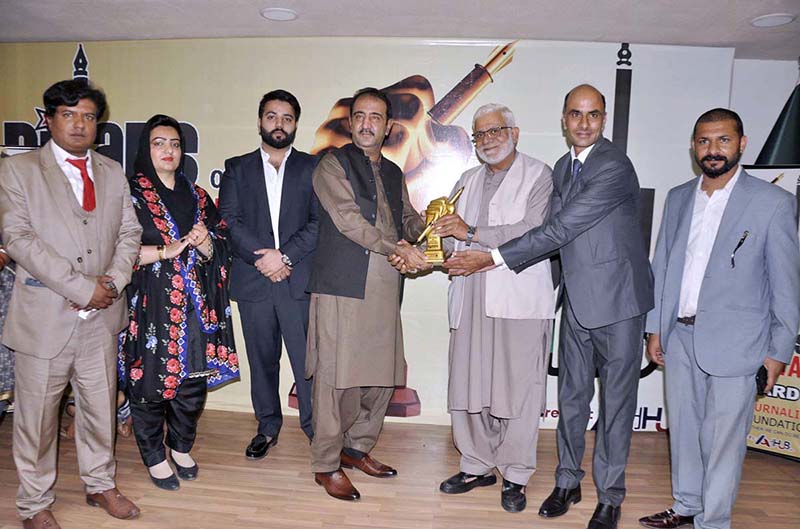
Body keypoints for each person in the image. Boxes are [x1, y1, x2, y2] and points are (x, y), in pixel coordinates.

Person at [445, 84, 654, 529]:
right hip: (575, 299)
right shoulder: (564, 165)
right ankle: (567, 481)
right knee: (572, 399)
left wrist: (494, 255)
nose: (583, 123)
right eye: (575, 115)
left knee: (615, 406)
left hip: (618, 301)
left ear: (602, 119)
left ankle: (611, 497)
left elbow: (558, 229)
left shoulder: (613, 166)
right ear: (564, 120)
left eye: (592, 115)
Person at [639, 109, 800, 529]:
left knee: (724, 441)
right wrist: (656, 326)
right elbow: (665, 265)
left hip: (741, 343)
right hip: (681, 337)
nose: (713, 150)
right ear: (693, 146)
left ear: (741, 144)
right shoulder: (678, 197)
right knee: (686, 430)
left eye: (723, 140)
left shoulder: (774, 203)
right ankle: (686, 504)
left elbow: (786, 284)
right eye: (704, 141)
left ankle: (713, 521)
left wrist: (778, 352)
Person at [0, 79, 142, 528]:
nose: (79, 124)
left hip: (102, 317)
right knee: (36, 421)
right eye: (68, 114)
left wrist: (114, 282)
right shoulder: (18, 171)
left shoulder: (111, 171)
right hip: (45, 319)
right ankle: (34, 504)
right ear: (48, 119)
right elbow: (18, 239)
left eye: (87, 116)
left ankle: (100, 484)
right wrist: (82, 288)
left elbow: (129, 233)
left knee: (99, 411)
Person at [430, 104, 555, 513]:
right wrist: (441, 244)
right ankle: (476, 464)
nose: (488, 139)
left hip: (517, 295)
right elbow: (448, 233)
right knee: (469, 384)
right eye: (479, 134)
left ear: (515, 133)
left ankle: (516, 473)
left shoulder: (539, 175)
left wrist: (471, 233)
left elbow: (534, 231)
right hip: (469, 291)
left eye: (496, 130)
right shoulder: (466, 179)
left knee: (517, 388)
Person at [306, 87, 427, 501]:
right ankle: (326, 463)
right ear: (350, 120)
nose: (366, 124)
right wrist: (399, 248)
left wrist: (433, 226)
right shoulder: (331, 164)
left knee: (380, 376)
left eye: (375, 117)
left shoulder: (393, 172)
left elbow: (407, 219)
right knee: (336, 379)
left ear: (389, 126)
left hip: (384, 286)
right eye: (360, 115)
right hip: (342, 284)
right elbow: (348, 221)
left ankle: (357, 449)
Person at [119, 114, 239, 491]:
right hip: (149, 307)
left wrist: (206, 246)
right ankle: (154, 456)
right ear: (145, 148)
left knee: (191, 386)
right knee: (148, 385)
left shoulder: (198, 196)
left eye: (174, 143)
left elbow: (222, 243)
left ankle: (181, 446)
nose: (168, 150)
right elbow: (112, 250)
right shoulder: (128, 194)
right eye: (158, 143)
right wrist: (163, 250)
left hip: (194, 307)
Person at [219, 89, 318, 457]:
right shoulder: (236, 167)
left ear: (295, 125)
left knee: (306, 363)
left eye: (287, 118)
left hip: (297, 281)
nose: (279, 124)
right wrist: (265, 259)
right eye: (272, 116)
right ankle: (267, 427)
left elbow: (318, 222)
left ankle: (314, 428)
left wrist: (285, 257)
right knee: (262, 361)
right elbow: (229, 219)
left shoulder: (313, 167)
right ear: (260, 121)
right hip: (254, 279)